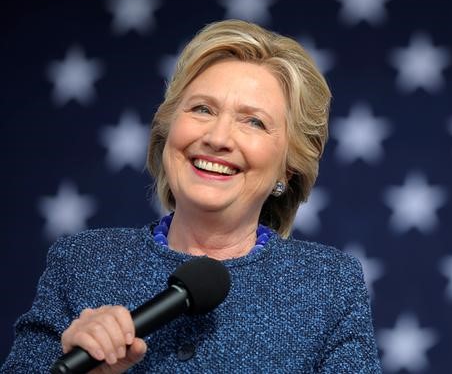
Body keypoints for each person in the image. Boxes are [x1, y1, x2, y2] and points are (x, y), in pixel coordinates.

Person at [1, 20, 382, 373]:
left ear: (289, 165)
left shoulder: (328, 284)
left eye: (253, 121)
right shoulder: (80, 264)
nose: (217, 138)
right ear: (168, 130)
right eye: (202, 109)